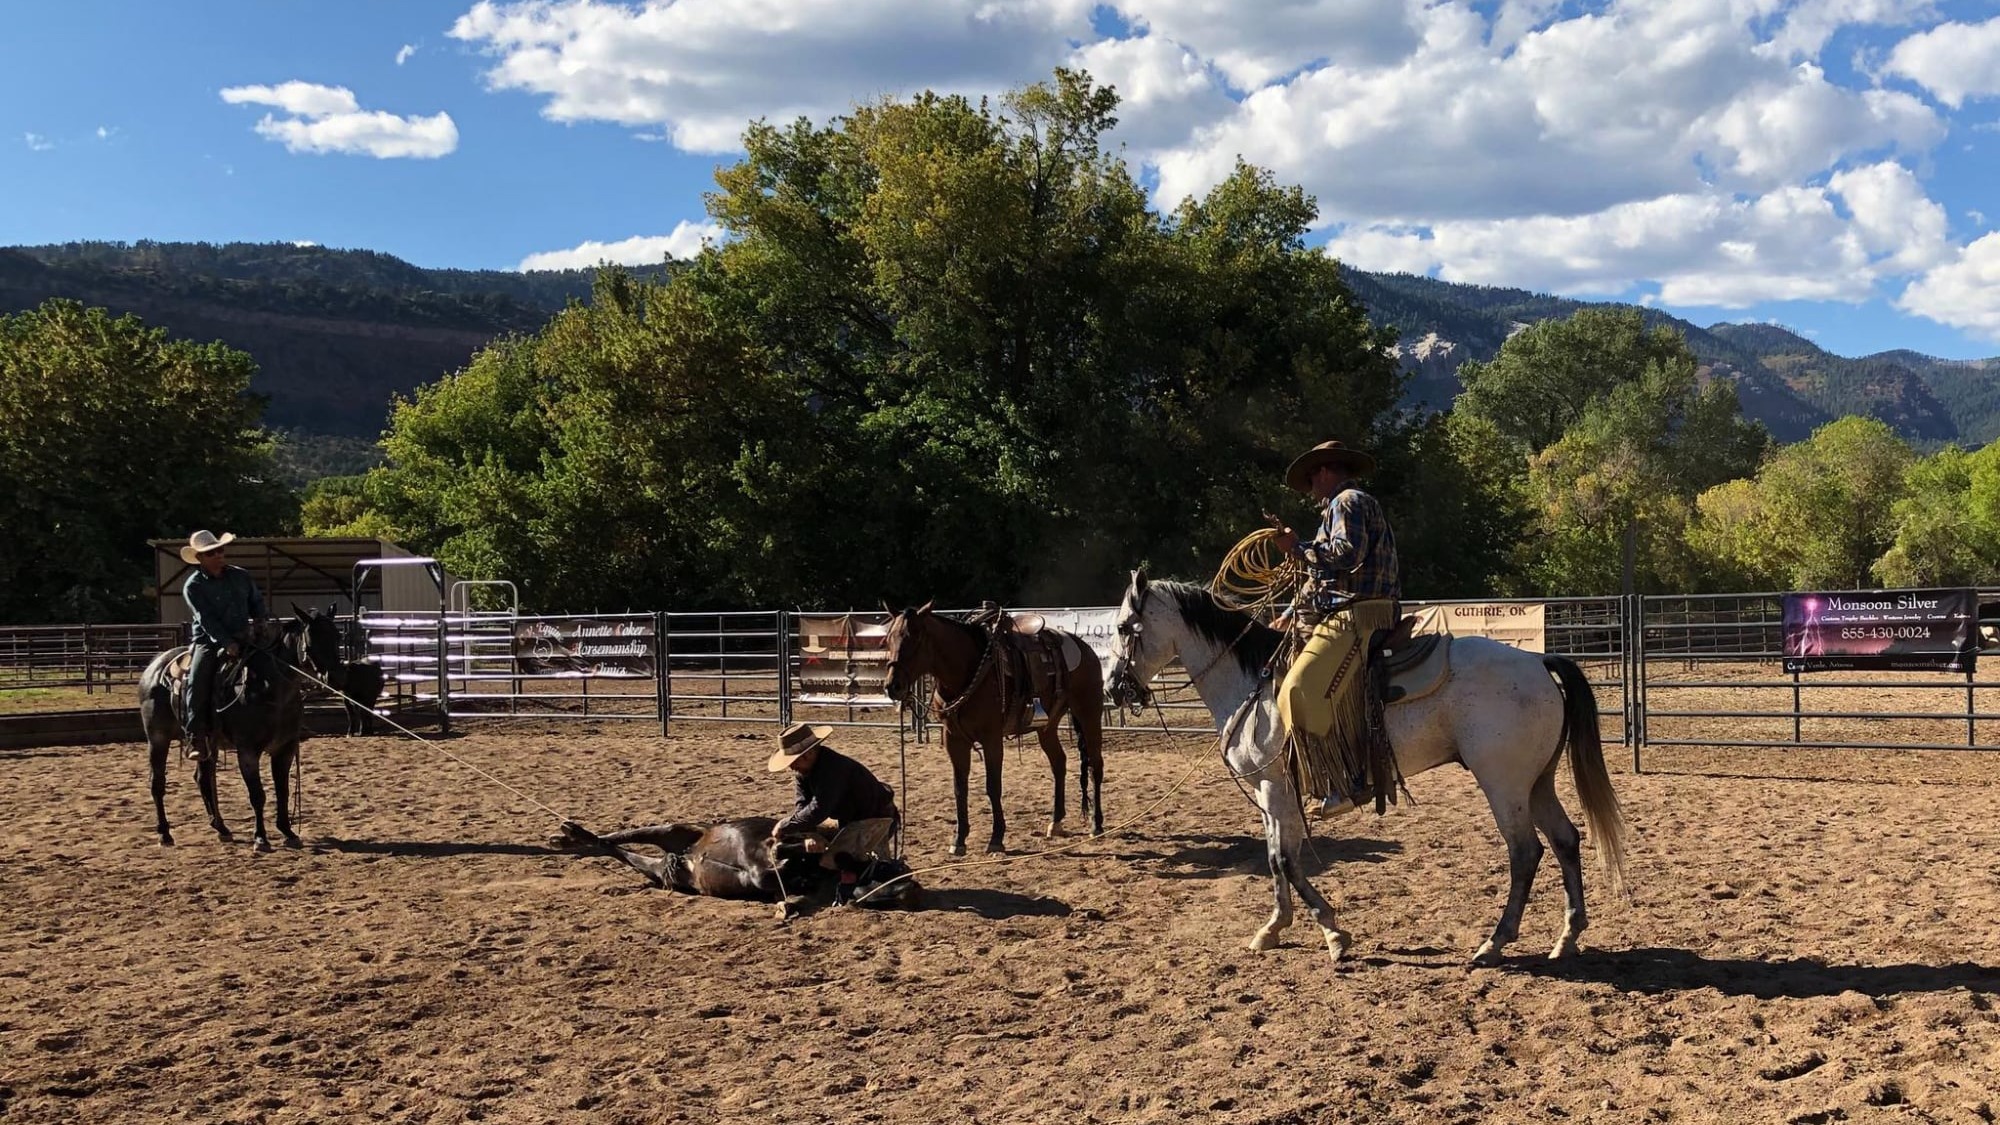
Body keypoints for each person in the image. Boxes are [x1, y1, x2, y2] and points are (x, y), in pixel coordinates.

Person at [1266, 440, 1402, 816]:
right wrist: (1290, 612)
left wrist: (1296, 548)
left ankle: (1344, 781)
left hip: (1362, 612)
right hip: (1354, 609)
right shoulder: (1341, 507)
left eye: (1311, 479)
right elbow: (1323, 574)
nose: (1310, 489)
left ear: (1324, 472)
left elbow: (1346, 554)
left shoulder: (1347, 502)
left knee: (1299, 688)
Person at [767, 723, 901, 906]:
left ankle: (860, 882)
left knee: (840, 860)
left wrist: (785, 825)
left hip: (875, 819)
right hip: (848, 818)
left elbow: (818, 809)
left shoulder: (833, 768)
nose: (792, 767)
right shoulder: (804, 772)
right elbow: (803, 806)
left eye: (794, 761)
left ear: (808, 754)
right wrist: (809, 834)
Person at [180, 530, 267, 758]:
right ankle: (196, 736)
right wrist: (226, 642)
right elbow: (206, 619)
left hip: (245, 636)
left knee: (276, 665)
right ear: (200, 558)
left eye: (220, 550)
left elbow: (256, 601)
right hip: (208, 641)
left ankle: (287, 720)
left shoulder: (241, 576)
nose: (218, 555)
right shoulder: (194, 585)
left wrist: (260, 621)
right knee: (197, 680)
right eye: (211, 553)